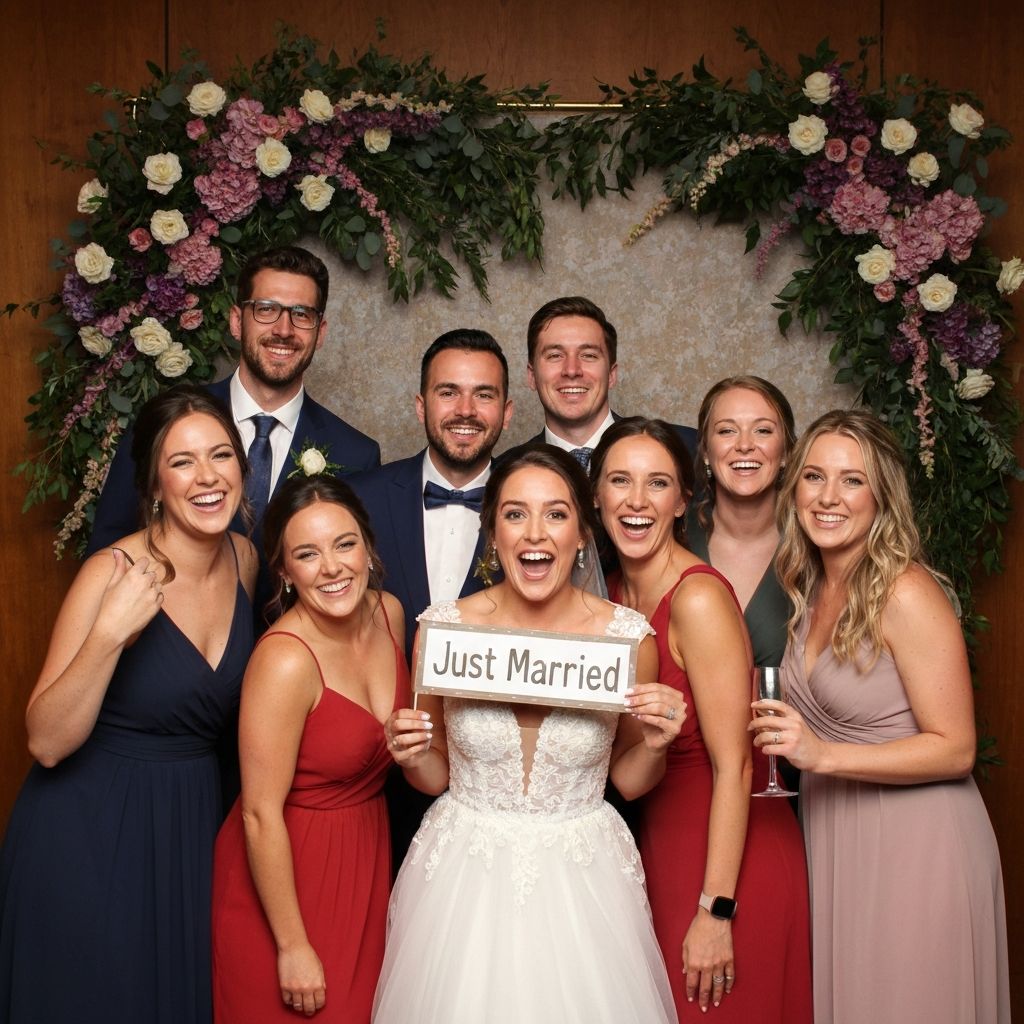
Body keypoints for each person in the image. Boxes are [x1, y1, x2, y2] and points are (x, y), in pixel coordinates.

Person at [372, 446, 682, 1024]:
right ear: (492, 532)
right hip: (464, 875)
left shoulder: (627, 639)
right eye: (515, 514)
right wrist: (410, 754)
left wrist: (658, 743)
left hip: (584, 878)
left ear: (583, 532)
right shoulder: (443, 632)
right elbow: (434, 773)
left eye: (556, 514)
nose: (534, 533)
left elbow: (631, 782)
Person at [0, 384, 258, 1024]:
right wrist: (111, 634)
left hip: (189, 826)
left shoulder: (245, 558)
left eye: (221, 455)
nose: (207, 477)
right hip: (91, 830)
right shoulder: (109, 573)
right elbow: (46, 740)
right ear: (153, 485)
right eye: (182, 461)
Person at [755, 409, 1009, 1024]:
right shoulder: (809, 587)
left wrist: (822, 754)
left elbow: (956, 749)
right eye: (814, 477)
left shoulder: (905, 591)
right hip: (838, 833)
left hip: (916, 845)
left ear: (881, 496)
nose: (828, 497)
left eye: (852, 480)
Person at [592, 417, 812, 1022]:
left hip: (731, 859)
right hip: (661, 847)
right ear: (597, 496)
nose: (637, 502)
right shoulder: (609, 596)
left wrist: (717, 910)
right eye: (620, 481)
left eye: (657, 483)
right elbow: (628, 775)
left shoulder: (698, 598)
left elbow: (737, 763)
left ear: (683, 500)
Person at [212, 476, 407, 1023]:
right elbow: (258, 813)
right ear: (284, 572)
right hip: (287, 880)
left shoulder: (387, 613)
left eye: (344, 544)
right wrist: (292, 945)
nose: (332, 567)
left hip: (365, 862)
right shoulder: (284, 661)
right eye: (307, 554)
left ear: (367, 546)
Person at [87, 245, 381, 568]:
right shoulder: (165, 423)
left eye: (301, 314)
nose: (284, 330)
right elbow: (107, 554)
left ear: (320, 333)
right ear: (237, 321)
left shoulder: (357, 456)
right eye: (266, 309)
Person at [348, 328, 513, 661]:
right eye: (449, 392)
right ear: (421, 407)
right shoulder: (359, 500)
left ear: (506, 412)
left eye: (483, 395)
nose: (465, 410)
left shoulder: (534, 511)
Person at [500, 296, 697, 468]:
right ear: (532, 376)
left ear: (611, 374)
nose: (571, 370)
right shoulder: (503, 471)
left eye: (588, 355)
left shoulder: (688, 449)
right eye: (555, 355)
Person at [688, 376, 796, 667]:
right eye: (726, 431)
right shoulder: (674, 535)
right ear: (706, 452)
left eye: (762, 430)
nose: (745, 445)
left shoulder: (816, 540)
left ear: (785, 451)